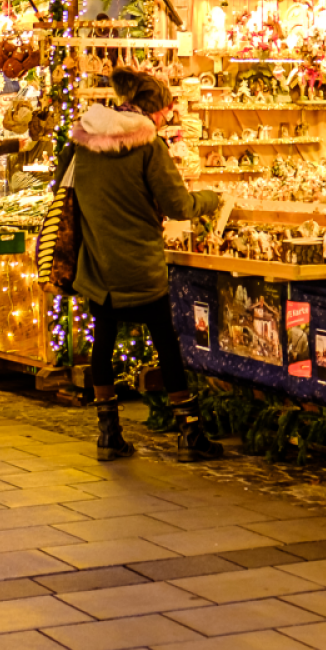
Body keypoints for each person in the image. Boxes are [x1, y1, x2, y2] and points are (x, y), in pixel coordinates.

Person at [69, 67, 220, 461]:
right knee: (166, 343)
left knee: (102, 342)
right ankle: (188, 432)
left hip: (98, 263)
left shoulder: (83, 142)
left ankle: (108, 433)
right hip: (140, 263)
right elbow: (179, 206)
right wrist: (211, 198)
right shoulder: (148, 147)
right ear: (154, 113)